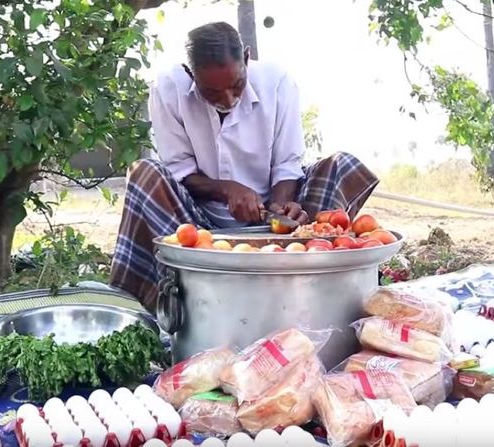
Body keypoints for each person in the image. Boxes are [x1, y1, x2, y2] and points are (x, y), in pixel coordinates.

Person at [110, 22, 379, 313]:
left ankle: (318, 277)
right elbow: (179, 171)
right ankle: (171, 303)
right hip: (197, 225)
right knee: (145, 173)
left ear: (247, 59)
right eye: (212, 93)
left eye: (236, 85)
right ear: (190, 74)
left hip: (276, 224)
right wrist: (226, 190)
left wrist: (281, 207)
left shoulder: (277, 83)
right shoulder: (167, 89)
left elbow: (287, 163)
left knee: (342, 165)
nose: (228, 99)